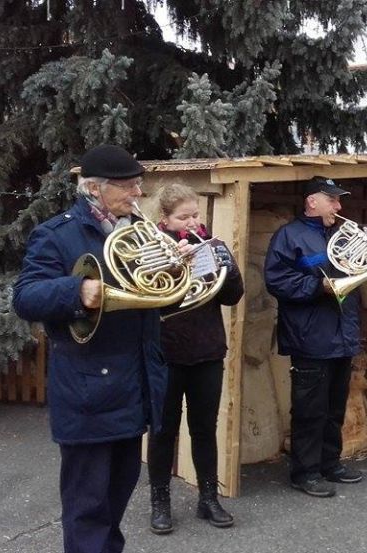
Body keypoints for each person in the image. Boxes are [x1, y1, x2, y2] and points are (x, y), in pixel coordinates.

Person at [12, 144, 171, 553]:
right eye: (128, 186)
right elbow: (26, 296)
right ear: (95, 188)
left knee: (116, 500)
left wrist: (173, 267)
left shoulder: (136, 228)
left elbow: (155, 298)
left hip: (134, 386)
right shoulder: (57, 233)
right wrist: (77, 290)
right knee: (88, 509)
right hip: (89, 390)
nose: (138, 194)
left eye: (139, 184)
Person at [146, 183, 244, 534]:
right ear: (165, 219)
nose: (191, 221)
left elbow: (233, 296)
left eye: (195, 214)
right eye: (183, 216)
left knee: (204, 428)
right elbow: (151, 299)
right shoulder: (152, 249)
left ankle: (208, 498)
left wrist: (227, 268)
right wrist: (175, 265)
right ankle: (160, 502)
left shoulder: (212, 245)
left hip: (206, 350)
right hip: (166, 353)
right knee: (162, 430)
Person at [264, 176, 366, 498]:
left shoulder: (340, 234)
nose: (339, 206)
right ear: (312, 202)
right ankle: (304, 472)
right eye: (332, 199)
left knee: (335, 406)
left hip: (342, 333)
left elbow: (359, 270)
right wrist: (316, 286)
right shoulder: (288, 235)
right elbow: (276, 279)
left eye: (338, 200)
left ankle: (329, 463)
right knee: (309, 409)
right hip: (310, 336)